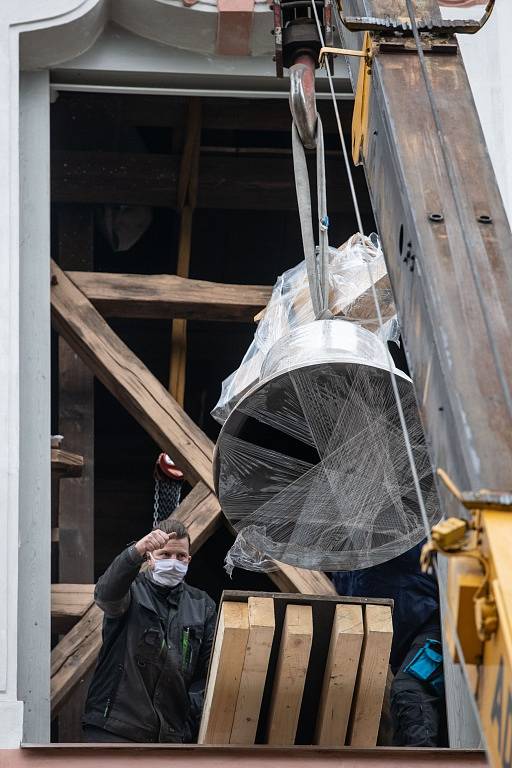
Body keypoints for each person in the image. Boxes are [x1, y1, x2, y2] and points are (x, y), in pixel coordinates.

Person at [82, 519, 216, 743]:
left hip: (168, 737)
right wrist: (135, 552)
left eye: (181, 556)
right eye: (165, 555)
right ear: (150, 558)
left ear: (189, 560)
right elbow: (105, 595)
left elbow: (210, 672)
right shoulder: (131, 591)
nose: (174, 562)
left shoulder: (202, 605)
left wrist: (187, 716)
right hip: (115, 729)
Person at [332, 541, 447, 747]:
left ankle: (424, 762)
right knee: (401, 712)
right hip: (400, 643)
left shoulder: (405, 531)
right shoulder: (344, 559)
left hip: (434, 626)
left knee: (409, 690)